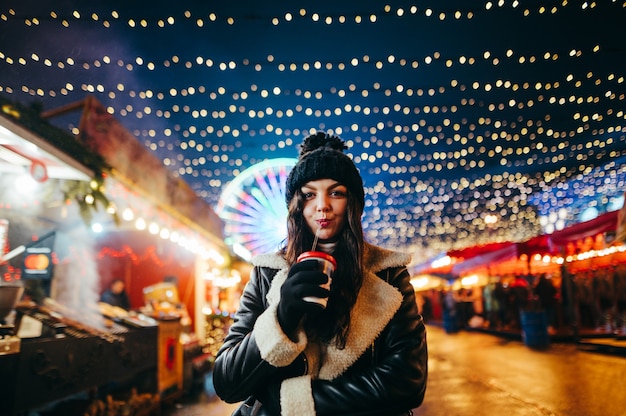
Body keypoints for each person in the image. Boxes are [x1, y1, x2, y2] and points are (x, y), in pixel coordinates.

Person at [213, 132, 428, 416]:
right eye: (309, 194)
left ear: (352, 203)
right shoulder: (267, 273)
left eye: (336, 193)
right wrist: (281, 318)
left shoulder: (389, 274)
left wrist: (294, 401)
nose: (322, 205)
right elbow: (227, 381)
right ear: (297, 206)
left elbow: (408, 381)